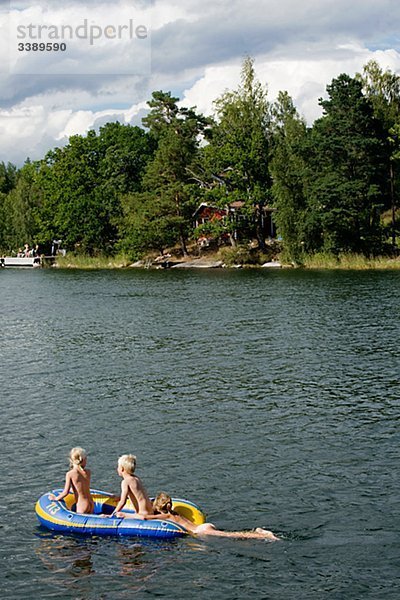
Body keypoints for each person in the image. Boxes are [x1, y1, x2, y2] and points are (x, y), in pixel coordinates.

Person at [144, 492, 280, 540]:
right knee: (231, 535)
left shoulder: (166, 517)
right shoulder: (174, 513)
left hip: (201, 531)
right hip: (202, 527)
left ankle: (262, 535)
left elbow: (145, 518)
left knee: (233, 535)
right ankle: (257, 533)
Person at [49, 447, 94, 514]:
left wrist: (55, 498)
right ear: (83, 460)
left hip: (82, 504)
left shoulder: (70, 474)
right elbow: (82, 486)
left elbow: (65, 492)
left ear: (71, 460)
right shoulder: (88, 472)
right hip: (91, 503)